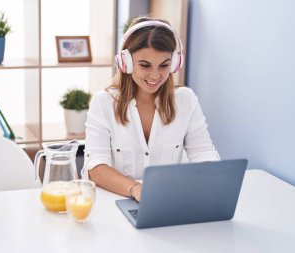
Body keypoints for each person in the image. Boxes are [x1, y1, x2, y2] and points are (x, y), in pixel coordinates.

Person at [81, 17, 220, 202]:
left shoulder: (186, 100)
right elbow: (96, 167)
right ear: (126, 63)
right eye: (145, 65)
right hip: (117, 202)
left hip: (168, 201)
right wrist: (135, 189)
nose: (155, 75)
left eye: (164, 65)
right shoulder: (103, 103)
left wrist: (211, 175)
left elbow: (203, 152)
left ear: (175, 62)